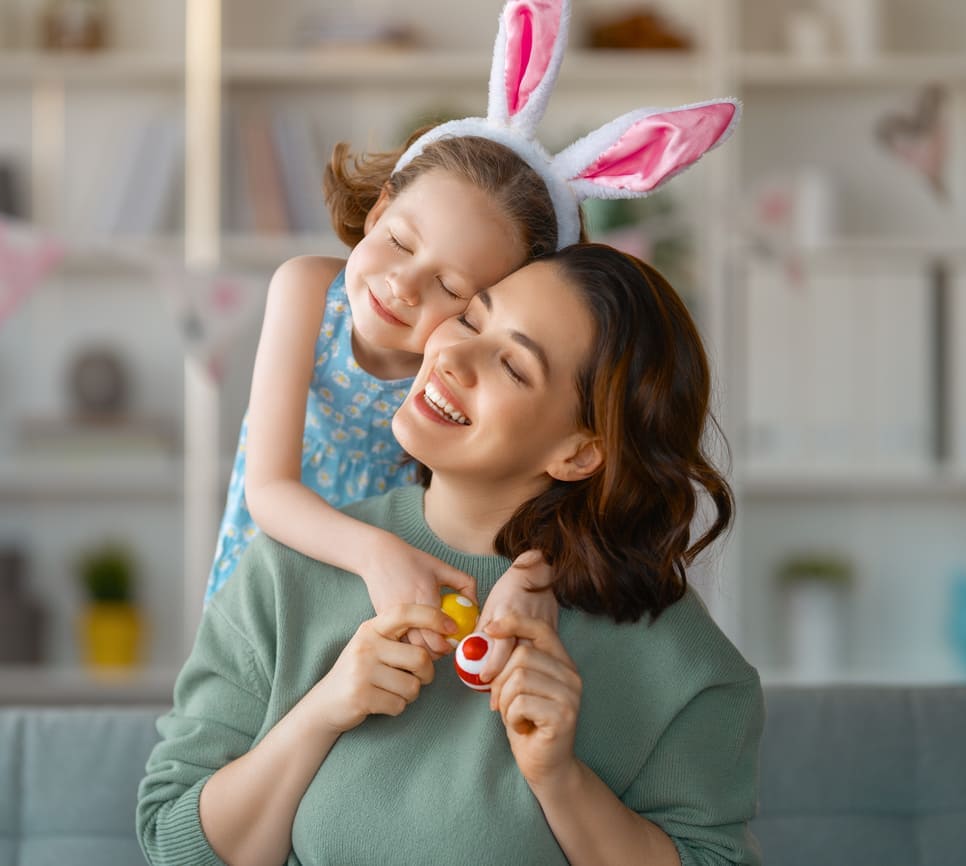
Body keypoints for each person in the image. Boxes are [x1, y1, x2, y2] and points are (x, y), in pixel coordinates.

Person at [138, 244, 764, 866]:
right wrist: (322, 712)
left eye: (513, 367)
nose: (452, 356)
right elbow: (172, 843)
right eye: (469, 318)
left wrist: (560, 780)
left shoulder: (682, 664)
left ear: (578, 452)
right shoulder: (287, 571)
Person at [205, 0, 741, 670]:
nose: (404, 287)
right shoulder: (309, 289)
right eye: (399, 240)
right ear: (379, 209)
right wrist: (379, 555)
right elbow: (270, 492)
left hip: (403, 600)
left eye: (455, 292)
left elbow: (528, 489)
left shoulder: (464, 370)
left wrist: (534, 579)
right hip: (281, 570)